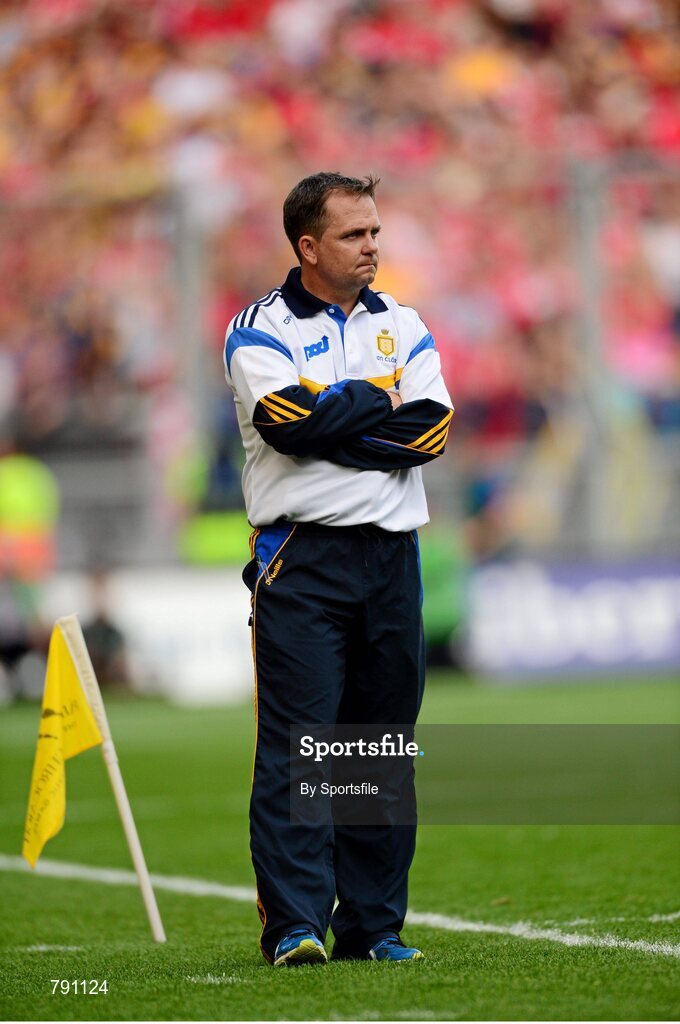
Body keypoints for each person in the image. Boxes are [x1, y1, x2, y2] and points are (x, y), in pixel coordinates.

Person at [223, 172, 453, 966]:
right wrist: (377, 400)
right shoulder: (257, 328)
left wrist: (337, 414)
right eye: (356, 235)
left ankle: (373, 927)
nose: (373, 247)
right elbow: (287, 426)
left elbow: (430, 434)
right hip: (303, 558)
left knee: (377, 750)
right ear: (309, 245)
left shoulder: (407, 323)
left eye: (376, 232)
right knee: (300, 747)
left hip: (392, 559)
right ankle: (293, 925)